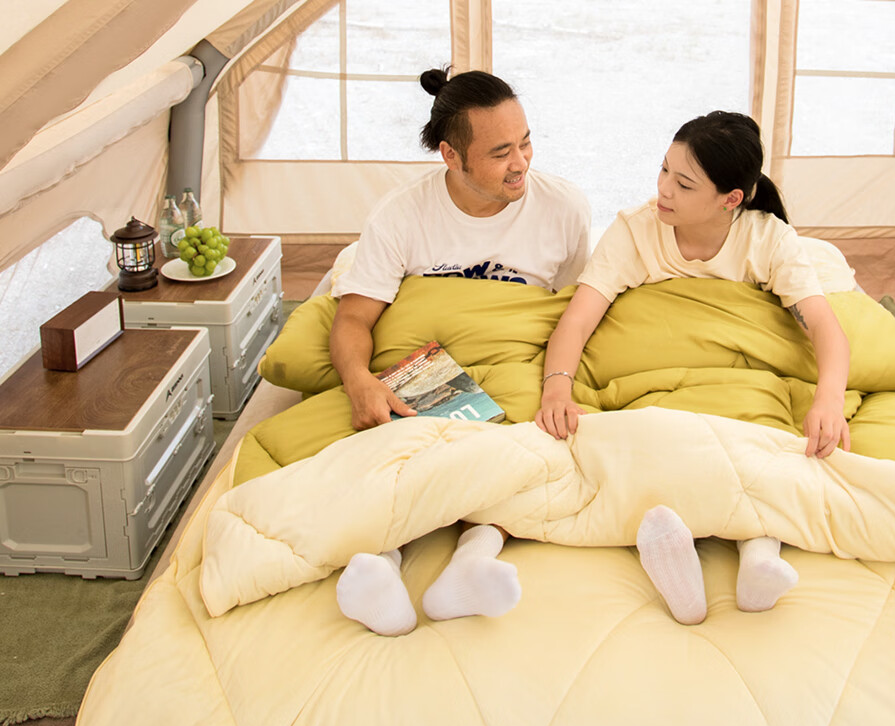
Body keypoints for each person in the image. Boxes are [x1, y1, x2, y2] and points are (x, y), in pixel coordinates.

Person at [535, 110, 852, 624]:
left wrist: (829, 401)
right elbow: (578, 319)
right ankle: (674, 551)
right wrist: (557, 389)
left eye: (684, 184)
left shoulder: (768, 239)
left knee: (763, 439)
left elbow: (823, 327)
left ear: (731, 198)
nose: (663, 189)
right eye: (664, 169)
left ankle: (760, 556)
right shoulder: (635, 231)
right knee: (651, 438)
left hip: (736, 385)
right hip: (662, 382)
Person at [330, 67, 590, 637]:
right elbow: (353, 317)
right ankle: (382, 563)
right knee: (404, 444)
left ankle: (473, 561)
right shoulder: (401, 214)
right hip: (429, 361)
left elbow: (568, 310)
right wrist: (359, 381)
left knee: (532, 443)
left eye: (525, 143)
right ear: (451, 156)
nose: (520, 163)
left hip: (514, 358)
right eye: (500, 153)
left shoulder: (565, 208)